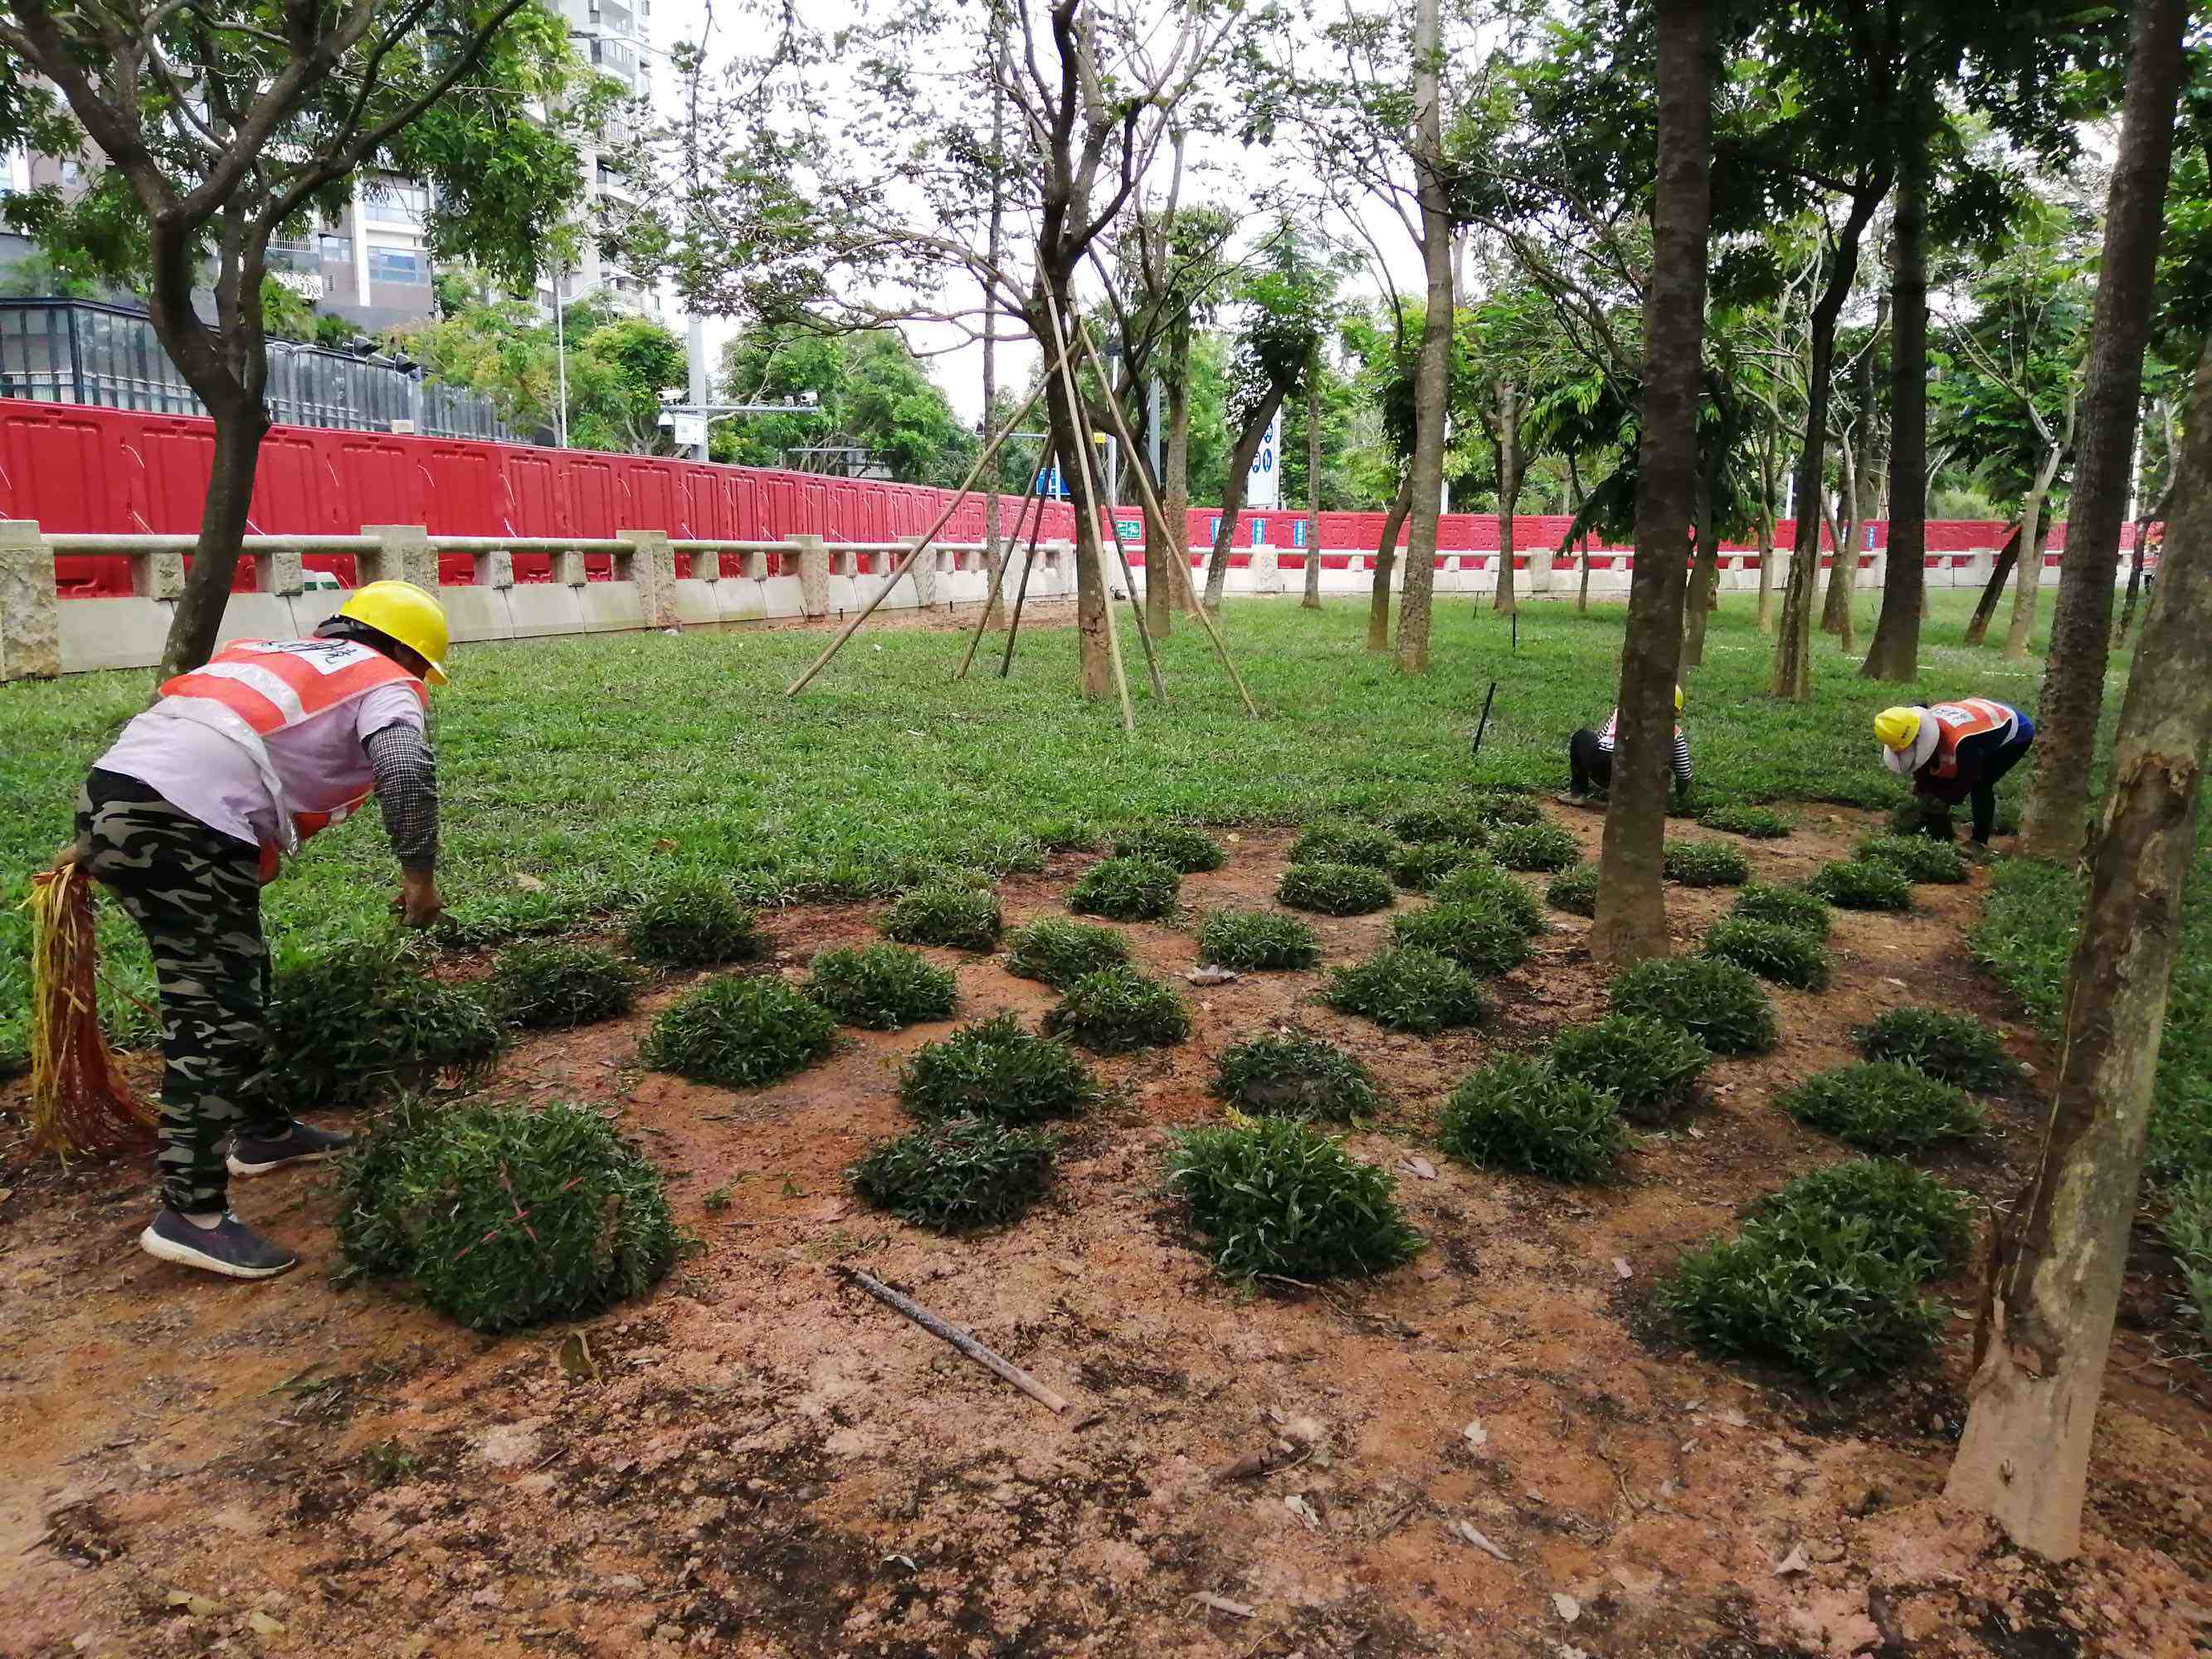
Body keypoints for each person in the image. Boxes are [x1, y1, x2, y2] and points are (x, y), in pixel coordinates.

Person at [65, 581, 452, 1281]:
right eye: (424, 668)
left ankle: (263, 1131)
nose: (421, 683)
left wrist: (108, 833)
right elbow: (403, 764)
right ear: (404, 651)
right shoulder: (387, 680)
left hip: (117, 796)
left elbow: (195, 735)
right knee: (214, 1010)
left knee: (238, 975)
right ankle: (192, 1212)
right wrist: (419, 879)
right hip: (182, 820)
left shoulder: (262, 653)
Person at [1873, 698, 2034, 845]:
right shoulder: (1918, 725)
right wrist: (1923, 789)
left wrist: (1943, 801)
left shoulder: (1963, 744)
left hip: (2016, 731)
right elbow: (1923, 766)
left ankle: (1979, 841)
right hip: (1980, 715)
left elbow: (1967, 779)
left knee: (1981, 784)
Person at [1564, 685, 1692, 809]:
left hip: (1604, 767)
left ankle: (1578, 792)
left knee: (1581, 736)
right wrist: (1679, 795)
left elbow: (1601, 740)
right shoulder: (1674, 733)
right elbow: (1684, 774)